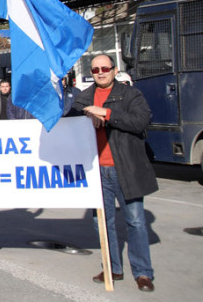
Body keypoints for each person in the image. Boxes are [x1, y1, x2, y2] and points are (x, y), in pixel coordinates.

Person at [74, 55, 157, 293]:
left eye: (105, 68)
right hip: (96, 171)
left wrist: (107, 114)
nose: (100, 72)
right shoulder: (84, 97)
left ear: (114, 70)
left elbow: (141, 121)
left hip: (126, 169)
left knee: (136, 221)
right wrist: (86, 116)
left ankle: (142, 273)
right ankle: (113, 268)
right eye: (95, 69)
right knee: (101, 222)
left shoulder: (131, 94)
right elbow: (69, 119)